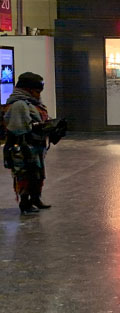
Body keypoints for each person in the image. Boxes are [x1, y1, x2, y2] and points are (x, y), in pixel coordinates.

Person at [4, 73, 62, 214]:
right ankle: (25, 203)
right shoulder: (19, 104)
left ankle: (36, 199)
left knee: (38, 174)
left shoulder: (33, 103)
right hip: (23, 147)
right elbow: (19, 128)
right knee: (24, 175)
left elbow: (38, 119)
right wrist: (40, 127)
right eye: (36, 91)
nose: (38, 94)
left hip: (36, 146)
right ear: (27, 89)